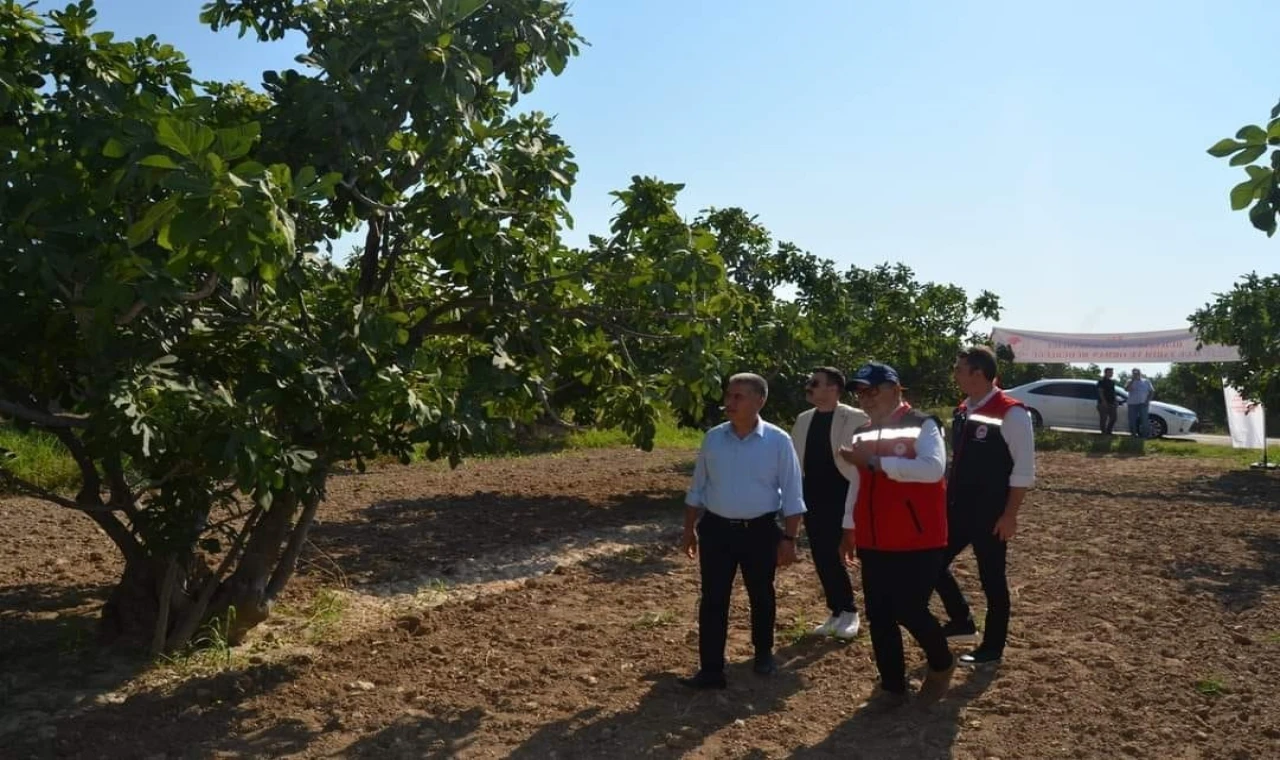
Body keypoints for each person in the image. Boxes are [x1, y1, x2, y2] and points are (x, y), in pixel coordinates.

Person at [837, 362, 954, 707]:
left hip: (919, 538)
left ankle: (942, 662)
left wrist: (876, 462)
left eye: (871, 391)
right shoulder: (862, 431)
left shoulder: (923, 424)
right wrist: (848, 526)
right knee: (880, 614)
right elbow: (857, 483)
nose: (865, 398)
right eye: (860, 392)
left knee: (910, 609)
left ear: (894, 388)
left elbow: (933, 470)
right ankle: (892, 687)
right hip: (874, 539)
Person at [679, 372, 806, 690]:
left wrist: (790, 539)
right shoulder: (714, 438)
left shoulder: (778, 441)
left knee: (761, 593)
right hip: (717, 530)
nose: (729, 402)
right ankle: (711, 668)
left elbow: (792, 494)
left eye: (738, 396)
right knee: (713, 598)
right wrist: (688, 529)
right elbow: (697, 487)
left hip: (760, 531)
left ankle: (763, 653)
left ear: (759, 400)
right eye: (728, 395)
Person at [934, 345, 1036, 666]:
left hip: (992, 513)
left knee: (992, 579)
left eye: (959, 369)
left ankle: (992, 647)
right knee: (932, 562)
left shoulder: (1012, 412)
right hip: (957, 508)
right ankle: (962, 620)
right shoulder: (964, 408)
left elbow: (1023, 470)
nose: (955, 373)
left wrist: (1010, 515)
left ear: (978, 373)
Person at [791, 366, 869, 640]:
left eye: (815, 383)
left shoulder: (856, 417)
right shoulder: (803, 419)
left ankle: (851, 611)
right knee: (821, 555)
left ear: (833, 388)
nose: (809, 387)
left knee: (841, 553)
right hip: (812, 495)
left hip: (844, 494)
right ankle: (837, 611)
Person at [1125, 368, 1155, 438]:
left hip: (1143, 404)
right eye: (1134, 373)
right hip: (1132, 404)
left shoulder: (1146, 381)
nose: (1136, 374)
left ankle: (1144, 436)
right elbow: (1126, 389)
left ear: (1140, 373)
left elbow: (1151, 392)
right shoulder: (1129, 381)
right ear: (1132, 374)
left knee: (1144, 420)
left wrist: (1147, 401)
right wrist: (1132, 380)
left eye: (1137, 373)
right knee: (1132, 420)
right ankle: (1133, 435)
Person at [1096, 367, 1118, 435]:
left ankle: (1109, 431)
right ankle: (1103, 433)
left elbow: (1113, 392)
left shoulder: (1112, 382)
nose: (1111, 373)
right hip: (1103, 403)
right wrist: (1103, 401)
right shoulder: (1101, 381)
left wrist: (1115, 401)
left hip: (1112, 403)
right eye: (1110, 372)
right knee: (1104, 419)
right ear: (1105, 373)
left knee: (1114, 418)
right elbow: (1100, 392)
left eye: (1112, 372)